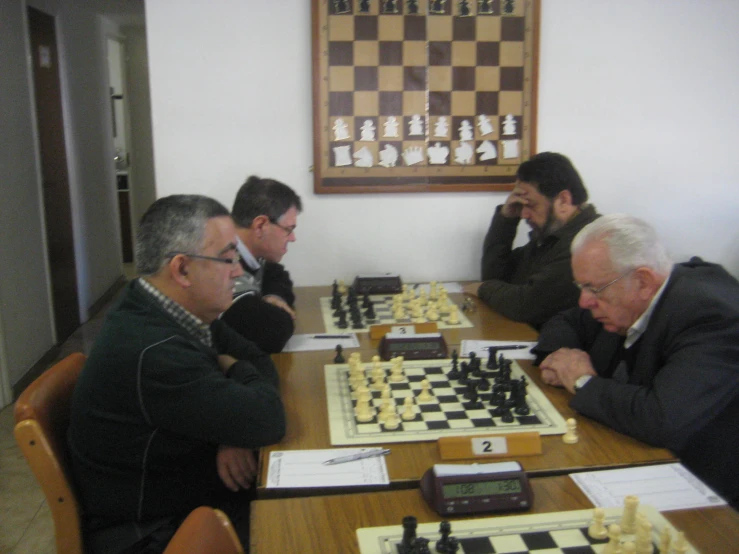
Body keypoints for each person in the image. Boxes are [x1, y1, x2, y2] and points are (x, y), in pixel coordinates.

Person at [67, 195, 286, 554]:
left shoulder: (168, 307)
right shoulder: (154, 351)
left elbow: (257, 359)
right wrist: (236, 402)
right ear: (182, 269)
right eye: (228, 258)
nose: (238, 271)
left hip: (184, 495)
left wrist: (229, 430)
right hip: (153, 533)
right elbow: (268, 418)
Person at [534, 214, 739, 507]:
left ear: (643, 281)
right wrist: (564, 360)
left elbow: (661, 419)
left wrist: (581, 381)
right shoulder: (626, 294)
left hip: (703, 490)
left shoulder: (712, 318)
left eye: (593, 288)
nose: (584, 301)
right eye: (581, 287)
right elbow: (566, 320)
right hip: (635, 451)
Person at [463, 152, 600, 328]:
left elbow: (527, 305)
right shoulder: (551, 236)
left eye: (530, 205)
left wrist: (482, 289)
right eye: (521, 206)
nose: (524, 214)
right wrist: (506, 220)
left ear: (564, 200)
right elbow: (495, 277)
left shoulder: (586, 241)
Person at [220, 175, 302, 353]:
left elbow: (277, 274)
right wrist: (272, 305)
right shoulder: (222, 263)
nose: (293, 238)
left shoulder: (250, 254)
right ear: (260, 226)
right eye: (288, 230)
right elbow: (272, 332)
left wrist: (274, 296)